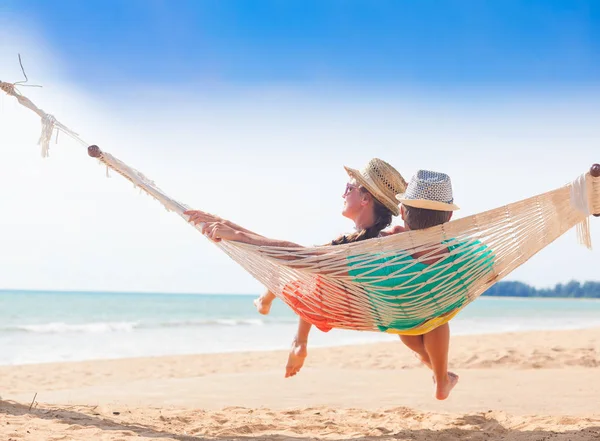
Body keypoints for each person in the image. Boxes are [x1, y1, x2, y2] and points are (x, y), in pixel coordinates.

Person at [185, 158, 407, 377]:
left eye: (349, 188)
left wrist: (239, 235)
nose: (343, 194)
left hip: (335, 306)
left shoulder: (352, 249)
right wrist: (223, 223)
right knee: (300, 262)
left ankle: (280, 318)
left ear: (365, 199)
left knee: (292, 264)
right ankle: (281, 319)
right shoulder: (379, 242)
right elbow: (299, 254)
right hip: (348, 303)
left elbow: (297, 254)